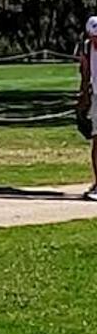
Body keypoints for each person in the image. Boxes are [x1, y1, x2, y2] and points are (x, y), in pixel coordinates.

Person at [79, 16, 97, 201]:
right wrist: (83, 97)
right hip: (96, 96)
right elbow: (85, 73)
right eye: (94, 37)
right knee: (96, 140)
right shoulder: (86, 47)